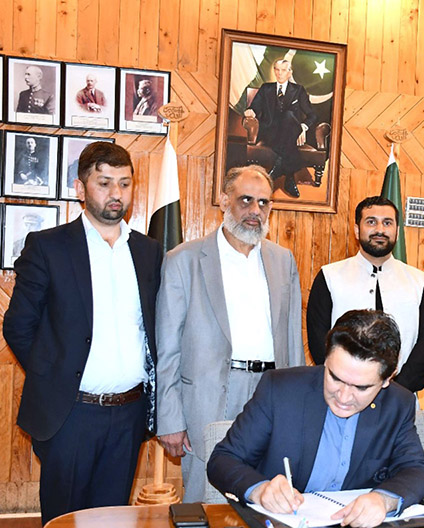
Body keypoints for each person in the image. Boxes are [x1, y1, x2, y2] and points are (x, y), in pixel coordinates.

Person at [3, 142, 162, 524]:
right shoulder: (48, 247)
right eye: (104, 183)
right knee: (66, 520)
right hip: (70, 414)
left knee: (112, 520)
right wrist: (55, 376)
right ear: (80, 188)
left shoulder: (149, 251)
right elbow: (18, 326)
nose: (116, 194)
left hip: (129, 415)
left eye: (124, 184)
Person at [156, 164, 304, 502]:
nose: (255, 211)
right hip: (209, 399)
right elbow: (167, 349)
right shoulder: (184, 260)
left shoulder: (283, 260)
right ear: (225, 200)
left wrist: (298, 408)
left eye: (264, 203)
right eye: (246, 200)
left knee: (270, 496)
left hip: (271, 393)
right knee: (207, 498)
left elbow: (293, 343)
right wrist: (169, 418)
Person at [207, 310, 424, 528]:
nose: (343, 397)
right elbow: (223, 459)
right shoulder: (280, 389)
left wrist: (383, 500)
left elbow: (416, 470)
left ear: (386, 379)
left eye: (361, 388)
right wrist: (260, 490)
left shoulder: (398, 404)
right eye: (335, 378)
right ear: (325, 360)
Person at [306, 196, 424, 393]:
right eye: (371, 222)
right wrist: (347, 383)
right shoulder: (330, 277)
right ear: (357, 230)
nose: (380, 230)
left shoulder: (418, 281)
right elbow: (319, 340)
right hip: (342, 394)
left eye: (387, 223)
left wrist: (397, 389)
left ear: (397, 231)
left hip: (401, 395)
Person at [244, 59, 318, 199]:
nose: (279, 73)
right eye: (277, 69)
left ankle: (277, 170)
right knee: (289, 118)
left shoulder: (298, 90)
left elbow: (312, 115)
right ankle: (288, 176)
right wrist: (250, 112)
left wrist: (303, 127)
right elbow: (254, 108)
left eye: (283, 70)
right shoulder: (266, 88)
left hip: (291, 131)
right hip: (270, 131)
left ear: (290, 73)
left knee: (289, 116)